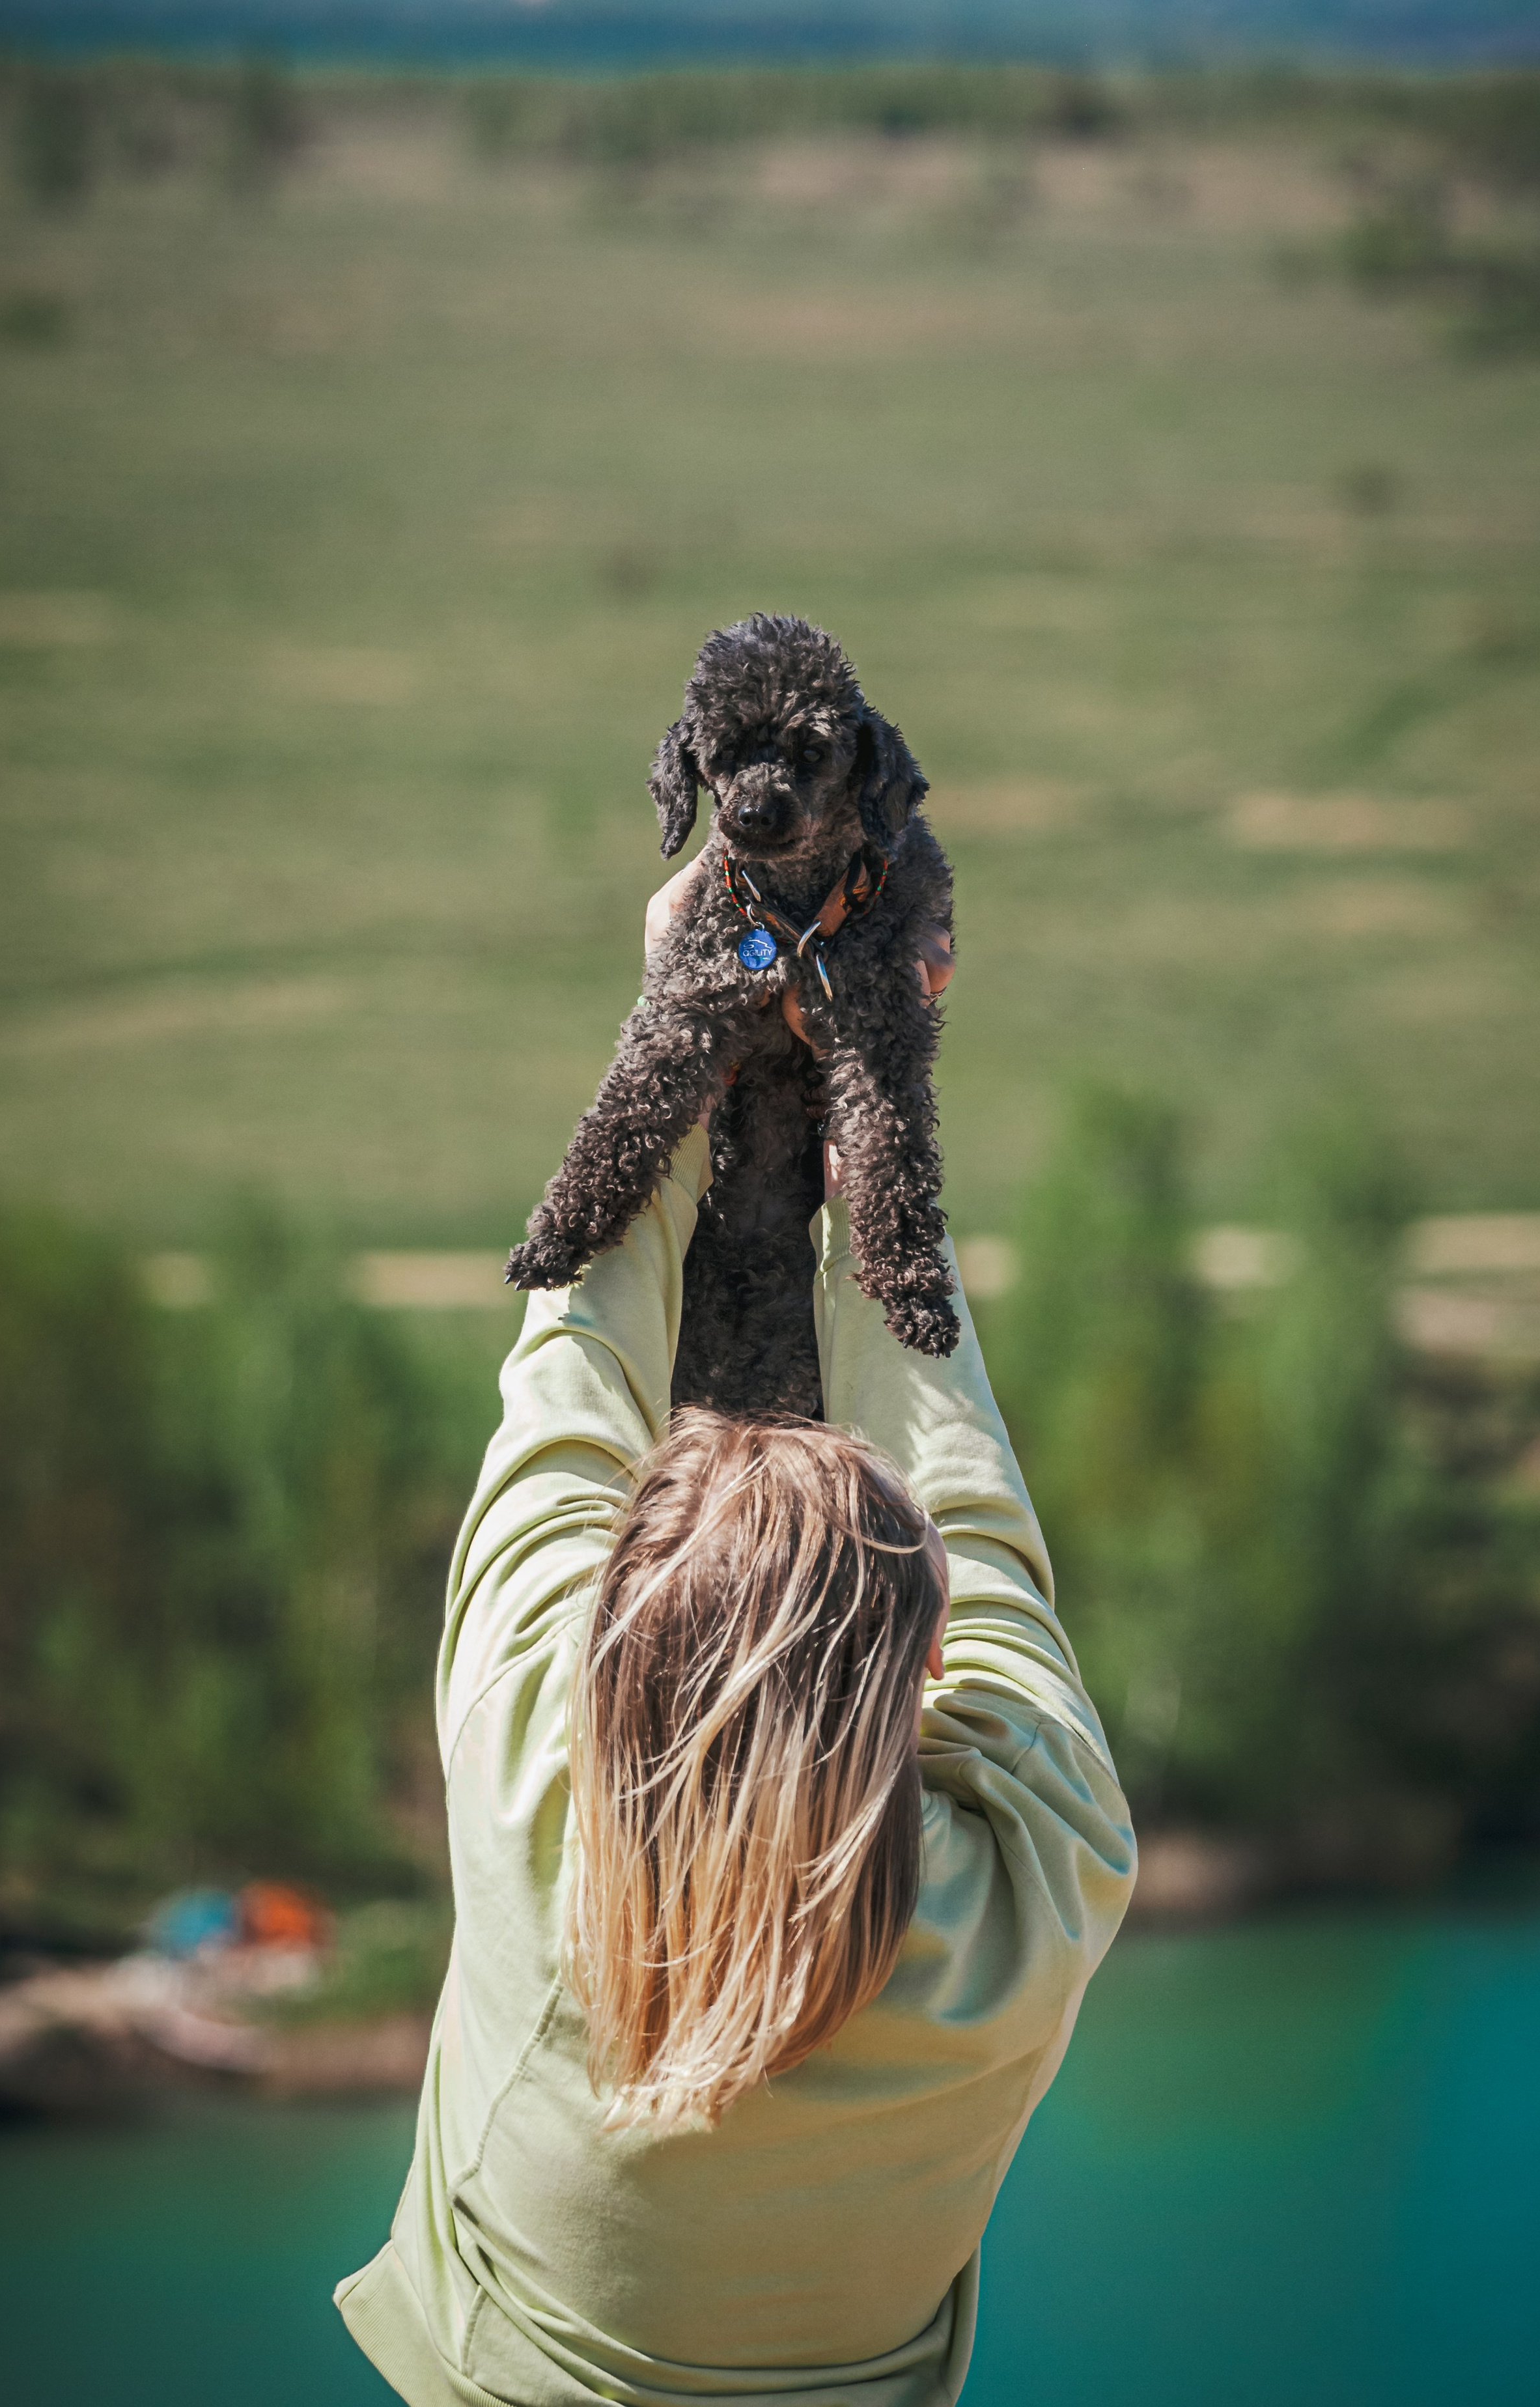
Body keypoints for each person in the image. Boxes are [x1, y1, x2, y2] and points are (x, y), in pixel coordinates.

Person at [335, 879, 1136, 2407]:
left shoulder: (535, 1782)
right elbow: (972, 1510)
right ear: (915, 1667)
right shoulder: (1042, 1877)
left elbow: (568, 1371)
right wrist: (875, 1123)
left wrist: (682, 1018)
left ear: (614, 1632)